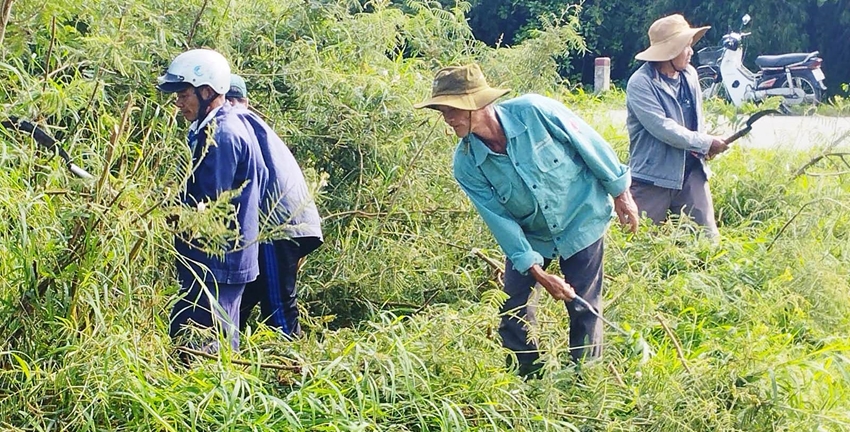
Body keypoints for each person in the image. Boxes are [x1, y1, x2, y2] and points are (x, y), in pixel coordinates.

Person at [414, 64, 639, 377]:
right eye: (442, 110)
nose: (447, 119)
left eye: (452, 109)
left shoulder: (535, 111)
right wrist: (537, 271)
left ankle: (586, 380)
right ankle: (528, 378)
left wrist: (621, 194)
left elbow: (589, 144)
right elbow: (500, 221)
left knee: (583, 303)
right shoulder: (466, 164)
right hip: (532, 234)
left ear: (478, 104)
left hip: (581, 215)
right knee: (514, 309)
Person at [156, 49, 268, 354]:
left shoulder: (222, 135)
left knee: (198, 346)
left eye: (183, 93)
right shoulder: (220, 126)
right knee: (207, 340)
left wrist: (159, 212)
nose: (178, 102)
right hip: (218, 262)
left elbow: (205, 208)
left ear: (207, 92)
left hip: (217, 263)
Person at [224, 74, 324, 337]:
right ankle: (230, 365)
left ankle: (291, 369)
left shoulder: (232, 123)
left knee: (278, 309)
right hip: (289, 222)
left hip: (275, 225)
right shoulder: (252, 122)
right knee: (238, 303)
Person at [626, 14, 729, 238]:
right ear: (670, 52)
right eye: (686, 46)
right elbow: (663, 128)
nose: (691, 51)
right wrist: (705, 142)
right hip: (653, 177)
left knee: (706, 242)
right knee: (638, 241)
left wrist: (705, 148)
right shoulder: (641, 83)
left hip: (691, 172)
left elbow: (695, 121)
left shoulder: (690, 75)